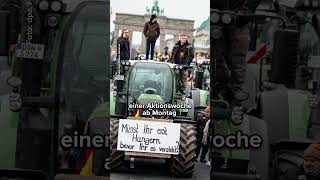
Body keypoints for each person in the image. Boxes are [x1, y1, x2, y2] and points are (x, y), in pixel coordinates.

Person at [211, 0, 262, 125]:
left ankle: (235, 103)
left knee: (237, 64)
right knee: (217, 62)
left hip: (239, 21)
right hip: (216, 20)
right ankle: (221, 94)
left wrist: (245, 11)